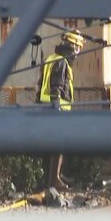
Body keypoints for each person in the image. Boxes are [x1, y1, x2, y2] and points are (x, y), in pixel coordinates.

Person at [36, 30, 84, 190]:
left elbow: (40, 85)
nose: (78, 53)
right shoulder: (62, 62)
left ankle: (51, 178)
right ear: (73, 47)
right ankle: (54, 179)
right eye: (78, 48)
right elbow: (56, 87)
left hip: (45, 108)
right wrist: (56, 107)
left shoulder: (50, 59)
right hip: (56, 110)